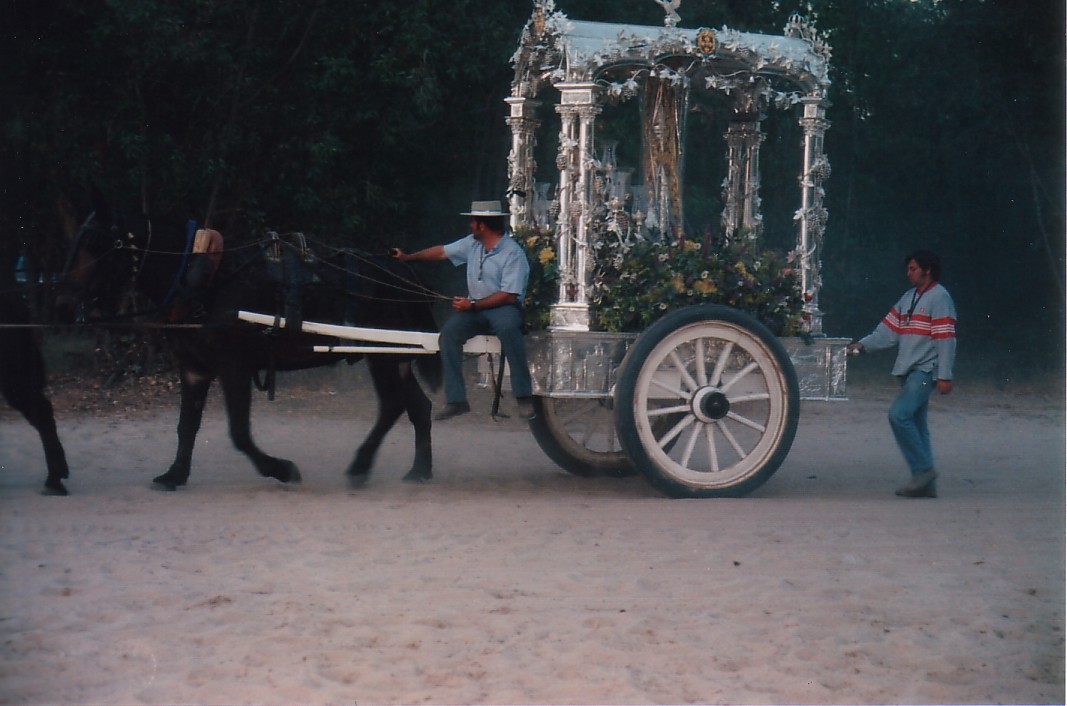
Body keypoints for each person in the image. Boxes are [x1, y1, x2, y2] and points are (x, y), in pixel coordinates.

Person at [391, 200, 536, 421]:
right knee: (449, 335)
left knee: (508, 329)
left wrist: (473, 306)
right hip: (475, 307)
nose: (470, 224)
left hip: (503, 307)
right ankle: (457, 400)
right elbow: (441, 252)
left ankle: (524, 396)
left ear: (482, 225)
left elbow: (509, 295)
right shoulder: (472, 244)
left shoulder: (512, 253)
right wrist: (407, 258)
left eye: (473, 221)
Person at [846, 250, 957, 498]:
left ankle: (923, 471)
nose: (909, 273)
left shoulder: (940, 297)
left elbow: (945, 339)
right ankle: (926, 485)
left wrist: (944, 375)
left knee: (899, 415)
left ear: (927, 270)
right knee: (917, 424)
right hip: (909, 371)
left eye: (913, 268)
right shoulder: (909, 297)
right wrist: (862, 345)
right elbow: (888, 330)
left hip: (925, 370)